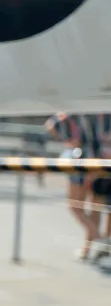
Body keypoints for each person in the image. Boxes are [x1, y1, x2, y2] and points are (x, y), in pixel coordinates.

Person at [44, 111, 111, 260]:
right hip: (102, 160)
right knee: (95, 208)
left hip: (82, 159)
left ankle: (99, 241)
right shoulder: (103, 111)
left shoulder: (76, 109)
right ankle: (90, 248)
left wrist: (70, 139)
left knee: (76, 206)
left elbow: (51, 125)